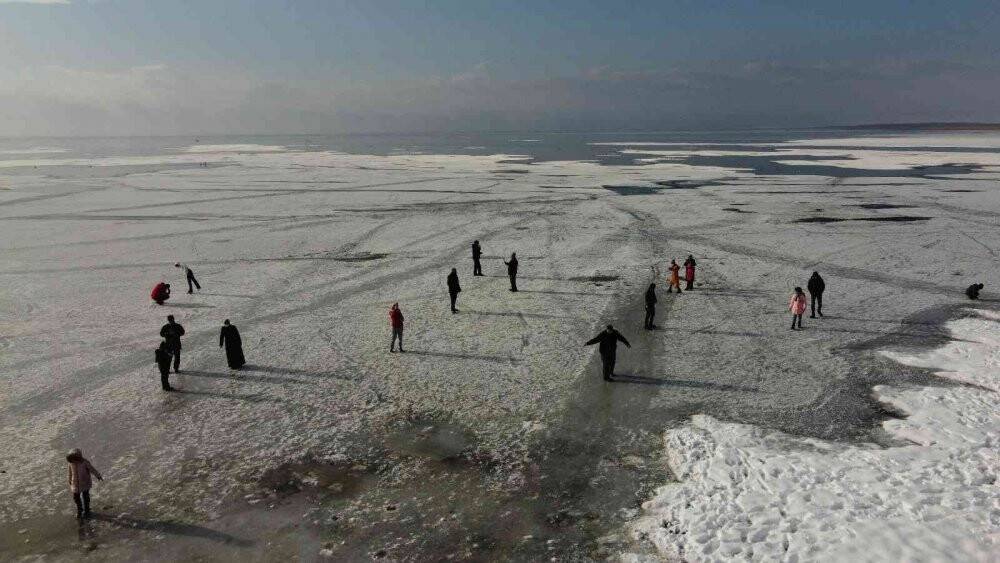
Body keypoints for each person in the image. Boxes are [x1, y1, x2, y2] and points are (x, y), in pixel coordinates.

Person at [66, 449, 103, 519]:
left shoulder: (84, 462)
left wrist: (98, 475)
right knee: (76, 497)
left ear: (78, 458)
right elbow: (70, 472)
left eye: (74, 460)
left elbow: (92, 469)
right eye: (71, 461)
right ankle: (79, 509)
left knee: (86, 496)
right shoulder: (71, 463)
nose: (73, 462)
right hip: (75, 483)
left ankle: (87, 509)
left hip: (85, 482)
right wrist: (69, 479)